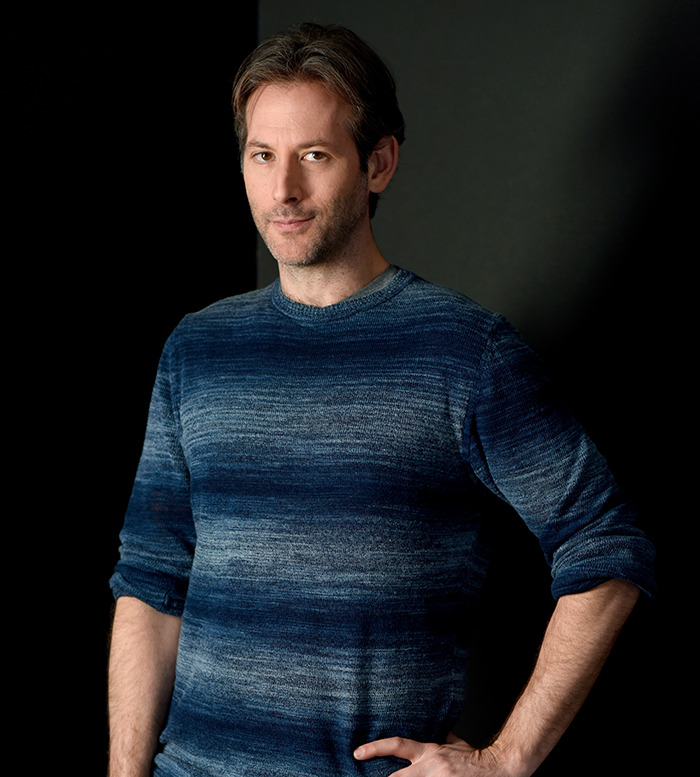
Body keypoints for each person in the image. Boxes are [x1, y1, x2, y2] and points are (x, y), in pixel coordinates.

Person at [107, 22, 656, 777]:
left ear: (380, 163)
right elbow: (149, 583)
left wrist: (504, 760)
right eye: (262, 155)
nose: (282, 190)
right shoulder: (198, 349)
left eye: (314, 157)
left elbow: (605, 544)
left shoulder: (465, 350)